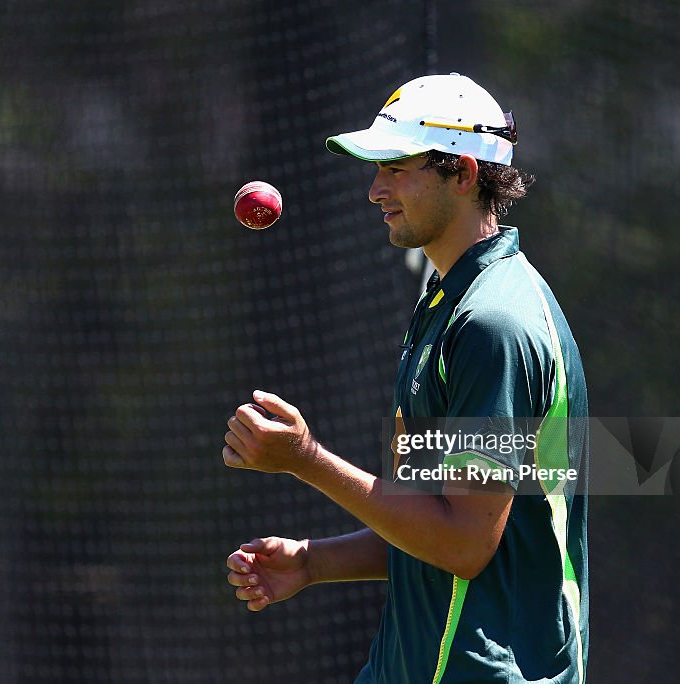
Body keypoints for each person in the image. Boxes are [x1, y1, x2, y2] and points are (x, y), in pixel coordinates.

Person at [222, 73, 589, 683]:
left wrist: (306, 459)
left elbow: (464, 545)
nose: (375, 189)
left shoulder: (494, 324)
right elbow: (430, 519)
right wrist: (314, 563)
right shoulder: (447, 306)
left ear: (464, 173)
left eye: (396, 166)